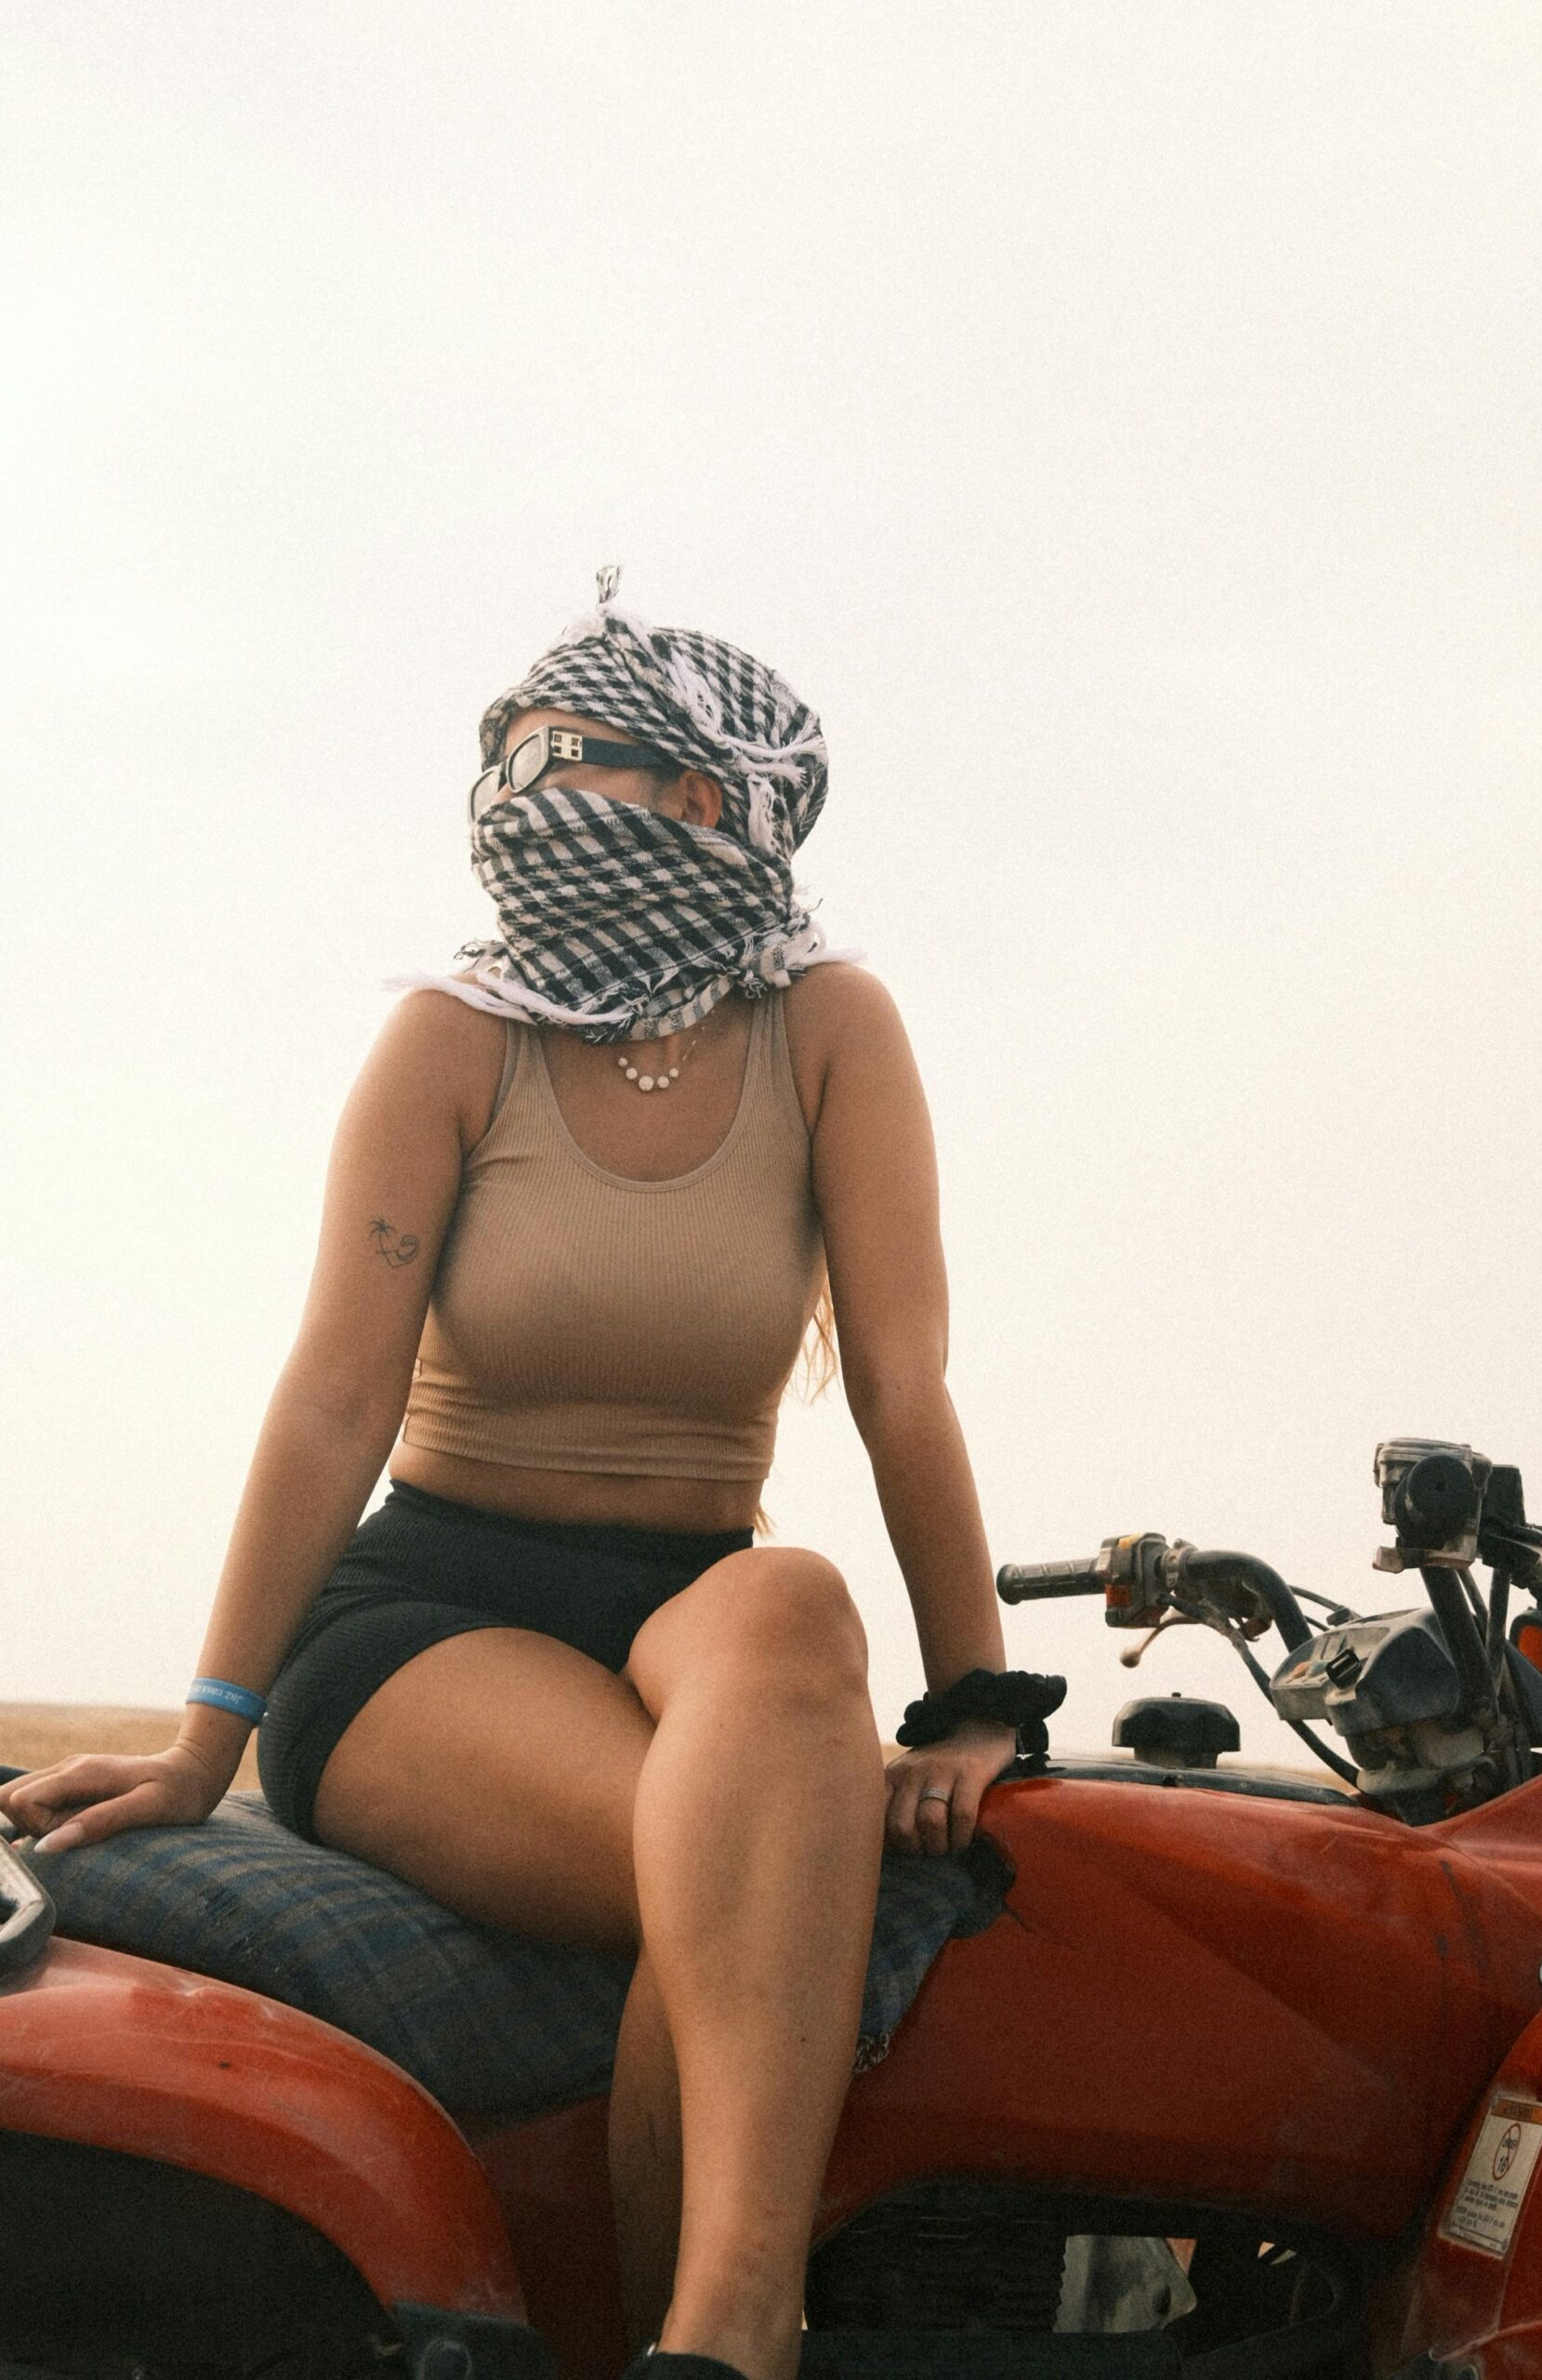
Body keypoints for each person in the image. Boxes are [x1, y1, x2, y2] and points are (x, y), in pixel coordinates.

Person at [0, 578, 1034, 2380]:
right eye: (503, 758)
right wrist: (204, 1731)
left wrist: (972, 1706)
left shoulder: (830, 1027)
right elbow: (332, 1401)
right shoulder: (449, 1035)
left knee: (792, 1604)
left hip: (691, 1595)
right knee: (738, 1871)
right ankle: (711, 2336)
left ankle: (711, 2336)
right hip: (425, 1618)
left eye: (570, 760)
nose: (519, 794)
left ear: (710, 801)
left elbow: (900, 1384)